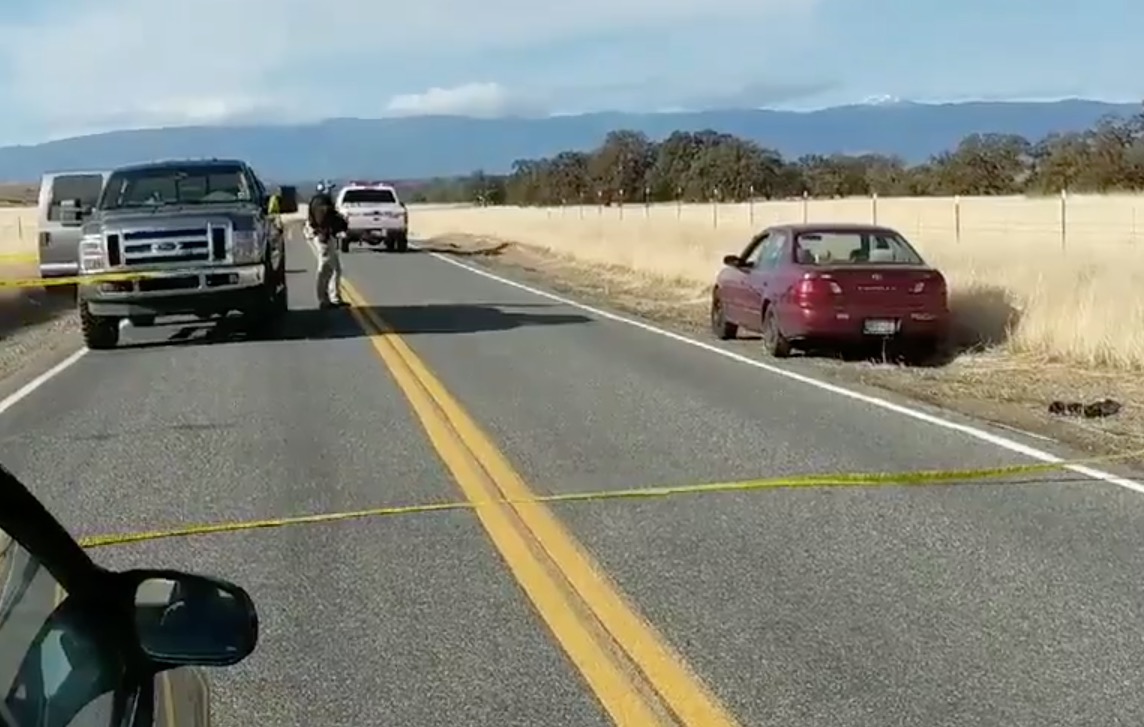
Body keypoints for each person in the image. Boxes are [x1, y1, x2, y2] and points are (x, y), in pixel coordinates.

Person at [307, 191, 349, 308]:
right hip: (323, 238)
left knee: (335, 269)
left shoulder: (318, 205)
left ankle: (334, 297)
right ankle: (324, 299)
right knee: (325, 269)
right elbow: (325, 221)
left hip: (326, 237)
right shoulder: (323, 208)